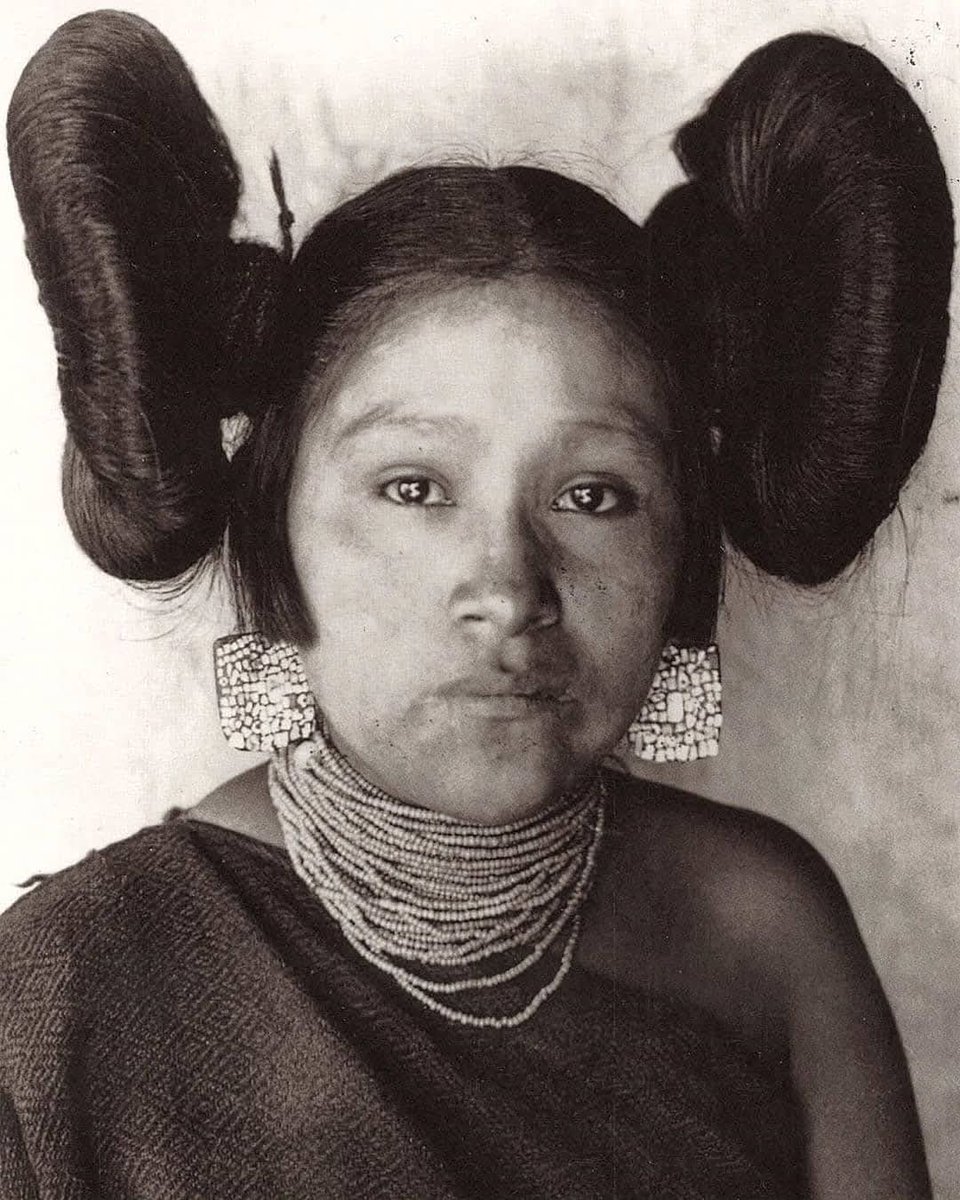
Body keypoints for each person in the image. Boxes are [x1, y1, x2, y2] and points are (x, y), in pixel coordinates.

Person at [0, 10, 952, 1199]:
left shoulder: (767, 928)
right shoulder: (74, 982)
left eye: (594, 494)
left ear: (683, 556)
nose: (506, 589)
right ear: (279, 530)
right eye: (414, 487)